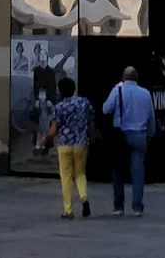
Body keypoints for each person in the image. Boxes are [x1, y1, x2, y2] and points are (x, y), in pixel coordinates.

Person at [102, 65, 156, 217]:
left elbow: (106, 109)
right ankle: (138, 207)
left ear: (123, 77)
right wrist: (150, 135)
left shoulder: (117, 90)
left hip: (122, 134)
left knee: (118, 171)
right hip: (140, 134)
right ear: (136, 78)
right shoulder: (145, 93)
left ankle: (119, 206)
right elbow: (151, 117)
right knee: (138, 171)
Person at [46, 75, 94, 220]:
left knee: (66, 177)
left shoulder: (59, 107)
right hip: (80, 143)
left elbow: (54, 129)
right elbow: (91, 118)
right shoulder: (84, 102)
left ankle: (68, 210)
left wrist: (46, 139)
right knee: (80, 173)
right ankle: (83, 197)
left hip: (64, 144)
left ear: (60, 91)